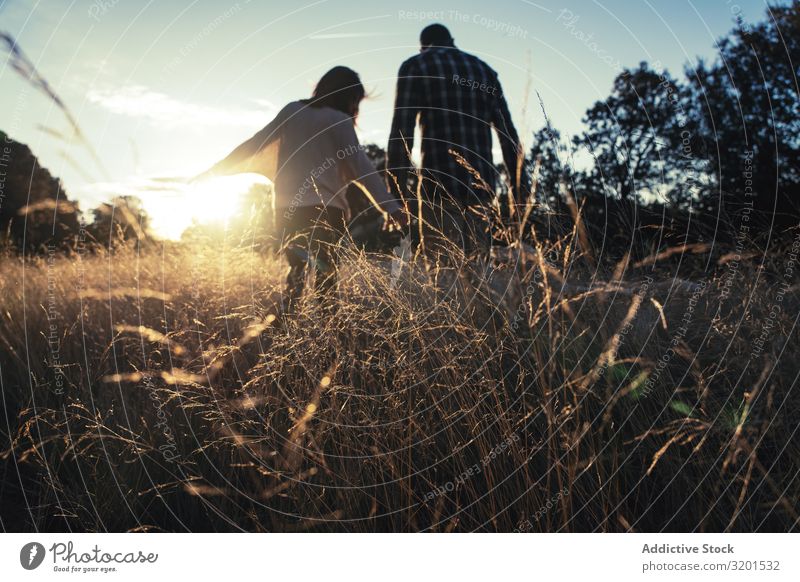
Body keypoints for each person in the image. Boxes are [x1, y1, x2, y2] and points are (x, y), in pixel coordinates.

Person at [199, 66, 408, 310]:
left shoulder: (292, 111)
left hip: (289, 210)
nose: (356, 108)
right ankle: (328, 342)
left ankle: (282, 329)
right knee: (327, 281)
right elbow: (362, 168)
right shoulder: (339, 120)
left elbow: (256, 143)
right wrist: (391, 207)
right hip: (327, 211)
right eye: (356, 101)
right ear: (349, 97)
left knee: (296, 276)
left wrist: (217, 169)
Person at [386, 24, 528, 257]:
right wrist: (519, 193)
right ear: (452, 40)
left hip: (439, 189)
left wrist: (397, 194)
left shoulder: (417, 65)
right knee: (478, 275)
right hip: (481, 192)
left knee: (445, 278)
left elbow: (402, 133)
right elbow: (508, 137)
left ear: (423, 46)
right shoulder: (484, 71)